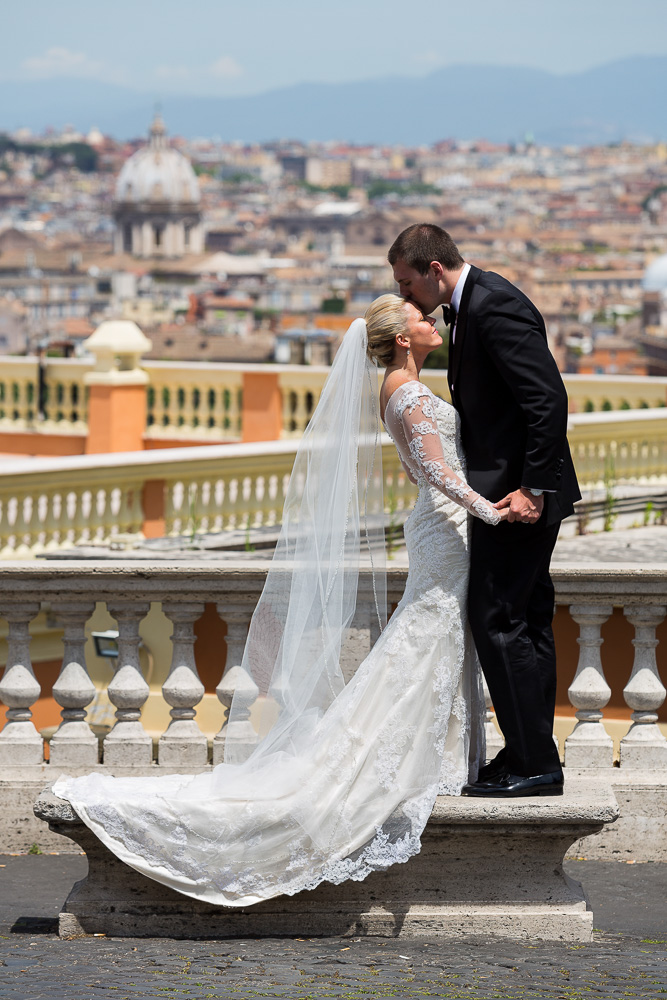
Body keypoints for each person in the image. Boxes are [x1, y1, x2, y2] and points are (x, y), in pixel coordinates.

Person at [53, 296, 507, 908]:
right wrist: (491, 510)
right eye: (422, 316)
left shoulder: (406, 386)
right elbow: (434, 471)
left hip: (444, 528)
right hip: (448, 524)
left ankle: (436, 757)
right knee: (424, 638)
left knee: (432, 638)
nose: (434, 319)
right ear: (401, 337)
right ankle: (404, 762)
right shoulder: (405, 392)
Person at [389, 223, 581, 797]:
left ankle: (535, 765)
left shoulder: (492, 306)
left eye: (406, 282)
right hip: (506, 493)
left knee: (497, 619)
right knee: (524, 620)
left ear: (434, 271)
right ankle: (530, 753)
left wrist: (531, 489)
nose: (404, 296)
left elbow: (546, 399)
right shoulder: (473, 303)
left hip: (515, 499)